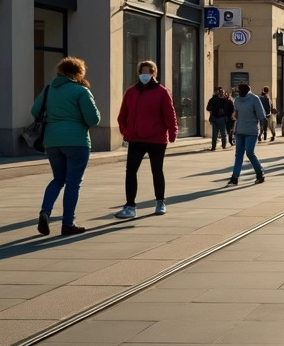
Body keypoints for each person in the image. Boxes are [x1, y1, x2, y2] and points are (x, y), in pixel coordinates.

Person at [34, 57, 101, 236]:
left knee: (58, 179)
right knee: (73, 182)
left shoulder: (48, 90)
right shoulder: (81, 91)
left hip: (52, 141)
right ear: (79, 73)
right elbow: (93, 119)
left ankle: (45, 211)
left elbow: (35, 111)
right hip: (77, 141)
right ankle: (68, 223)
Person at [115, 60, 178, 219]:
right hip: (135, 138)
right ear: (138, 74)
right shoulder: (131, 92)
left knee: (157, 171)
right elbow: (122, 116)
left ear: (154, 74)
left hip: (157, 139)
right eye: (142, 72)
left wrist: (172, 133)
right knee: (130, 171)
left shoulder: (162, 92)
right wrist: (125, 132)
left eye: (148, 72)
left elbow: (170, 115)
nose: (145, 75)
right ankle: (130, 205)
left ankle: (160, 201)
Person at [228, 83, 267, 185]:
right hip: (240, 130)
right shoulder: (237, 100)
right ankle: (234, 177)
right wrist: (233, 125)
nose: (238, 93)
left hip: (251, 130)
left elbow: (261, 114)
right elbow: (236, 114)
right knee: (239, 154)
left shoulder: (254, 98)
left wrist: (262, 124)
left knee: (249, 152)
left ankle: (260, 173)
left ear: (244, 91)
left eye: (240, 91)